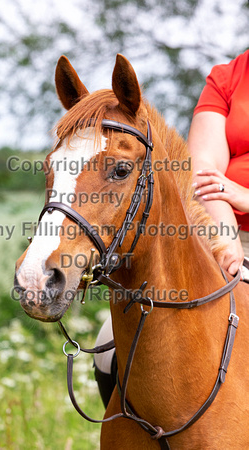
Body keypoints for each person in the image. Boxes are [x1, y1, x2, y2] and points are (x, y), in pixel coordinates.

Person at [94, 50, 249, 408]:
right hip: (220, 229)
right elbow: (205, 170)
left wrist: (245, 195)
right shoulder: (228, 76)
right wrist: (224, 240)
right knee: (109, 342)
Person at [188, 49, 249, 276]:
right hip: (229, 231)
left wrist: (245, 196)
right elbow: (203, 165)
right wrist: (224, 230)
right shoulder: (228, 77)